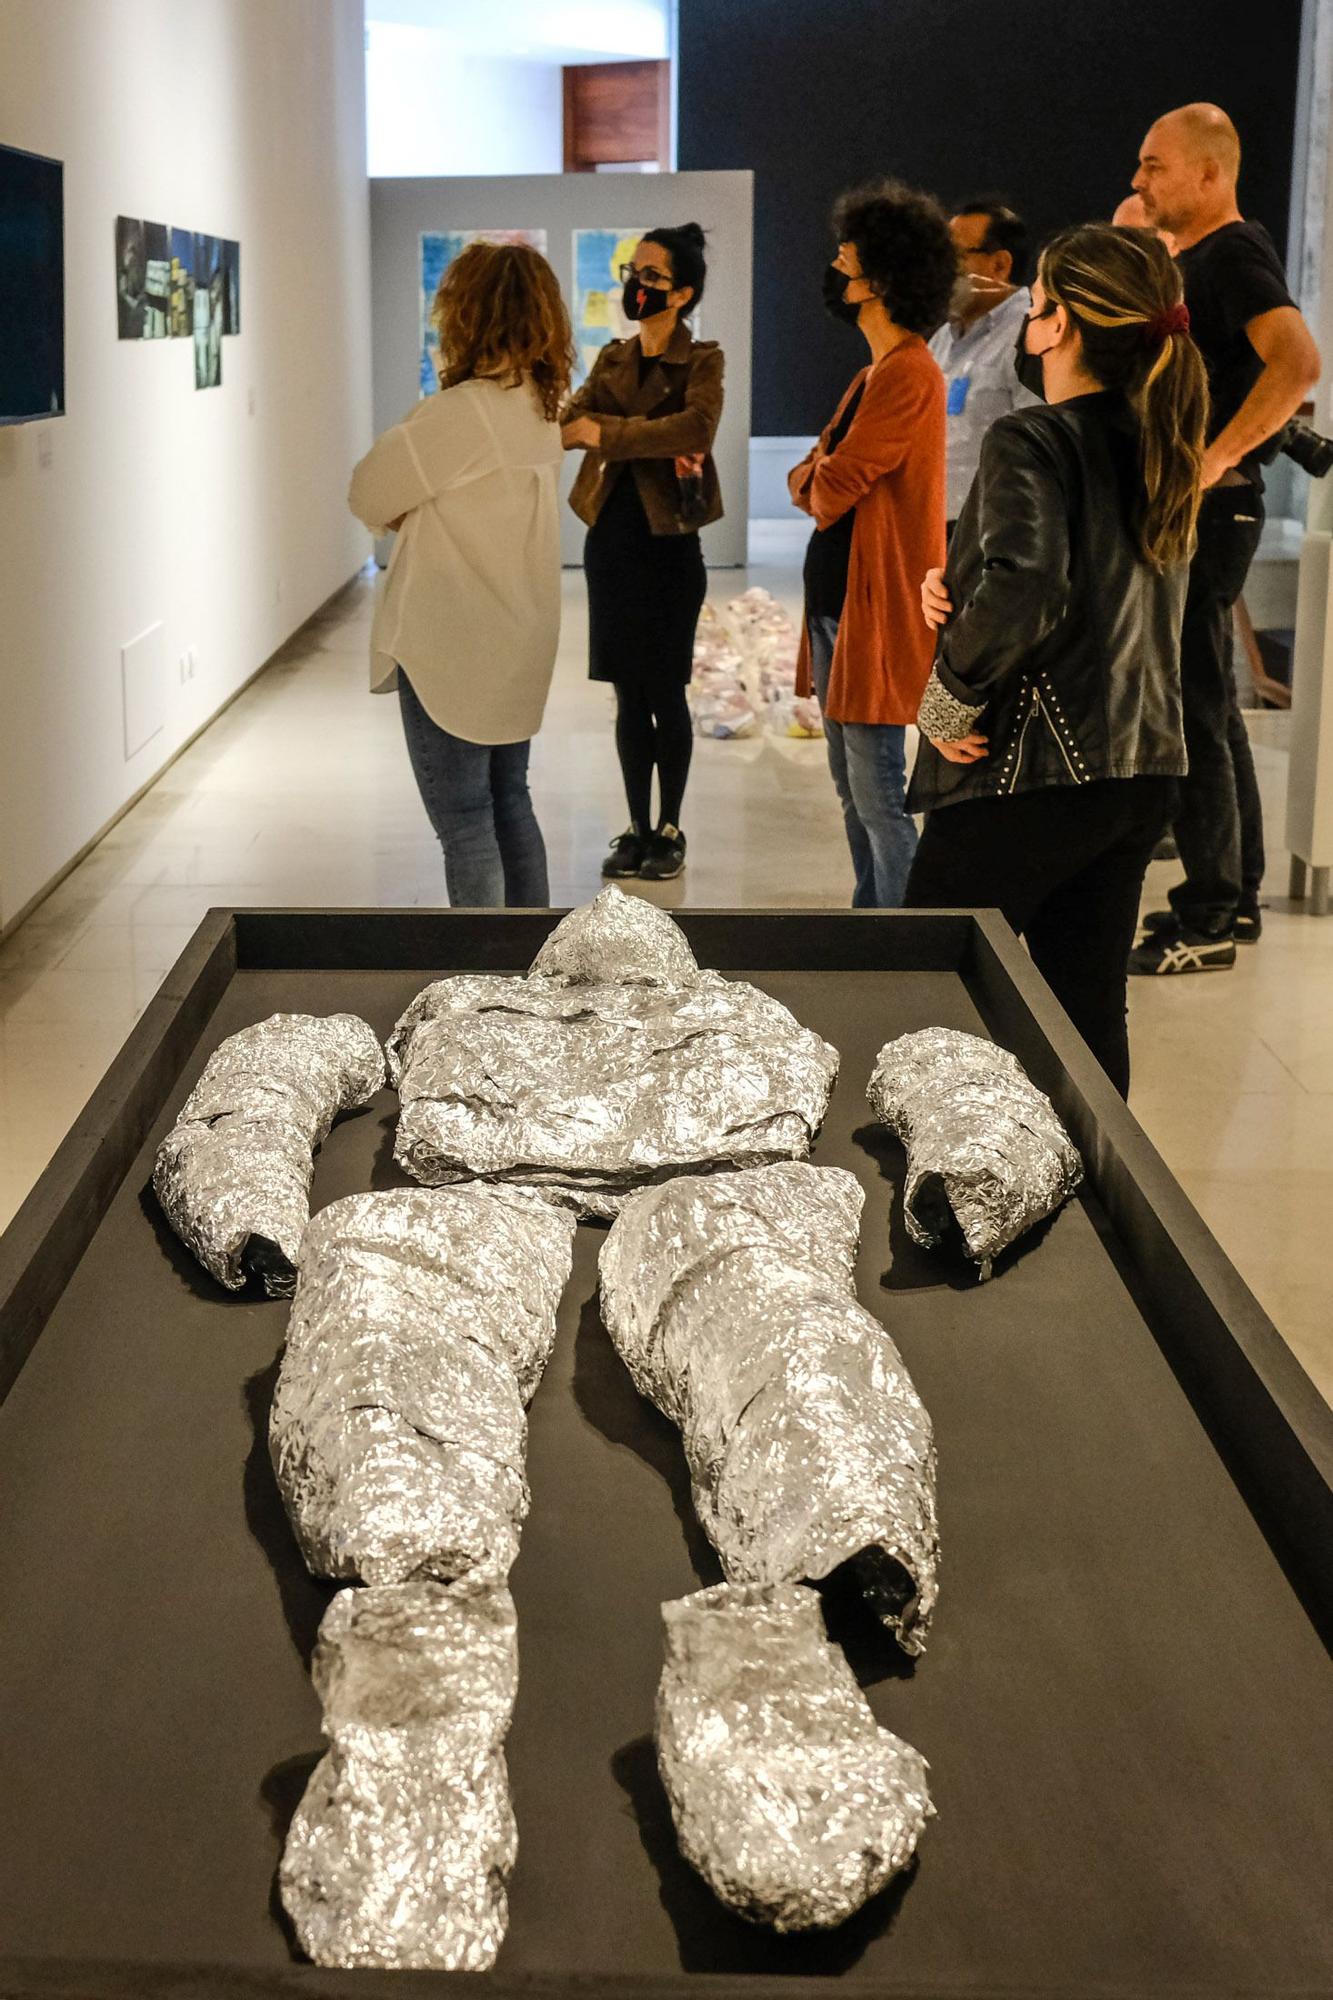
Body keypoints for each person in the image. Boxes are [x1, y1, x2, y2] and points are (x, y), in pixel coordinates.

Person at [905, 224, 1205, 1097]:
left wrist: (946, 700)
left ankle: (942, 1209)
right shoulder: (1163, 444)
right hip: (1138, 773)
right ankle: (1104, 1215)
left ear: (1058, 324)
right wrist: (959, 577)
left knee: (922, 991)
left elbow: (1031, 588)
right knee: (1085, 1019)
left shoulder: (1031, 437)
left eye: (1035, 304)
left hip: (1025, 773)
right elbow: (1084, 592)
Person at [1127, 103, 1320, 973]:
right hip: (1210, 508)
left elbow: (1297, 360)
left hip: (1213, 511)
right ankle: (1231, 897)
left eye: (1154, 166)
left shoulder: (1233, 252)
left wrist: (1215, 458)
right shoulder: (1201, 257)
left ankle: (1205, 915)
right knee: (1208, 707)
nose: (1140, 181)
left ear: (1208, 173)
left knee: (1193, 712)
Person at [348, 241, 571, 906]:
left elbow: (367, 494)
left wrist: (405, 510)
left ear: (465, 315)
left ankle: (486, 983)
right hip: (517, 638)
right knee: (509, 800)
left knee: (466, 826)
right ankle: (531, 968)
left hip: (452, 641)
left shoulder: (456, 414)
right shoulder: (539, 406)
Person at [790, 180, 953, 908]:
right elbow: (810, 475)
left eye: (844, 257)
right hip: (836, 608)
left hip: (874, 613)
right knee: (851, 788)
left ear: (880, 279)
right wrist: (820, 473)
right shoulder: (871, 374)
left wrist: (820, 473)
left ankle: (897, 935)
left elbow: (829, 485)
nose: (833, 267)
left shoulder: (909, 372)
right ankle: (870, 918)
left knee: (878, 793)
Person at [561, 223, 723, 883]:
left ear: (682, 292)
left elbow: (694, 429)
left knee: (667, 692)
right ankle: (635, 826)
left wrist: (608, 432)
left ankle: (670, 829)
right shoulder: (611, 359)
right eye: (635, 271)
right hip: (612, 543)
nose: (637, 285)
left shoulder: (702, 360)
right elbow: (572, 419)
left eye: (652, 277)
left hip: (670, 545)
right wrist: (596, 428)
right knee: (628, 695)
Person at [928, 197, 1040, 535]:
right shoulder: (942, 339)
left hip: (995, 533)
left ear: (1000, 265)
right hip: (937, 529)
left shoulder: (1029, 336)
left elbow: (1041, 447)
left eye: (954, 256)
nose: (940, 270)